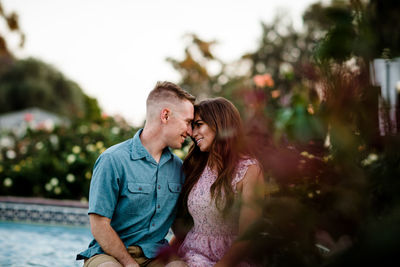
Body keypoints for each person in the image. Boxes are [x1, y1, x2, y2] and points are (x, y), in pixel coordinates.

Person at [76, 81, 195, 267]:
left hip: (156, 256)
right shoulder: (112, 160)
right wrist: (129, 264)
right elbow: (99, 225)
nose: (190, 131)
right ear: (165, 115)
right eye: (187, 122)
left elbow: (181, 228)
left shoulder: (179, 169)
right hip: (109, 255)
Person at [175, 97, 265, 267]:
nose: (193, 134)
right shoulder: (196, 166)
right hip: (192, 255)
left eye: (199, 125)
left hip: (232, 260)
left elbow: (249, 234)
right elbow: (181, 225)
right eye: (192, 127)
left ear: (220, 123)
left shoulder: (250, 170)